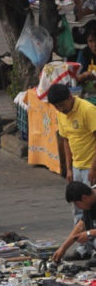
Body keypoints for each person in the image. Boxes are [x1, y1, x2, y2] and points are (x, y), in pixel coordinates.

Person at [48, 83, 96, 251]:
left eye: (61, 105)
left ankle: (92, 247)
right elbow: (66, 141)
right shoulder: (61, 114)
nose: (60, 109)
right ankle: (83, 248)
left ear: (70, 97)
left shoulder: (87, 110)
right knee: (79, 209)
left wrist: (93, 167)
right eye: (56, 106)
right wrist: (68, 168)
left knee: (91, 208)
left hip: (92, 166)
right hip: (76, 167)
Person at [52, 182, 96, 264]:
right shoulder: (90, 201)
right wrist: (63, 248)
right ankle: (87, 251)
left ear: (84, 198)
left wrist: (89, 233)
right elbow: (80, 226)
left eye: (76, 203)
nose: (77, 207)